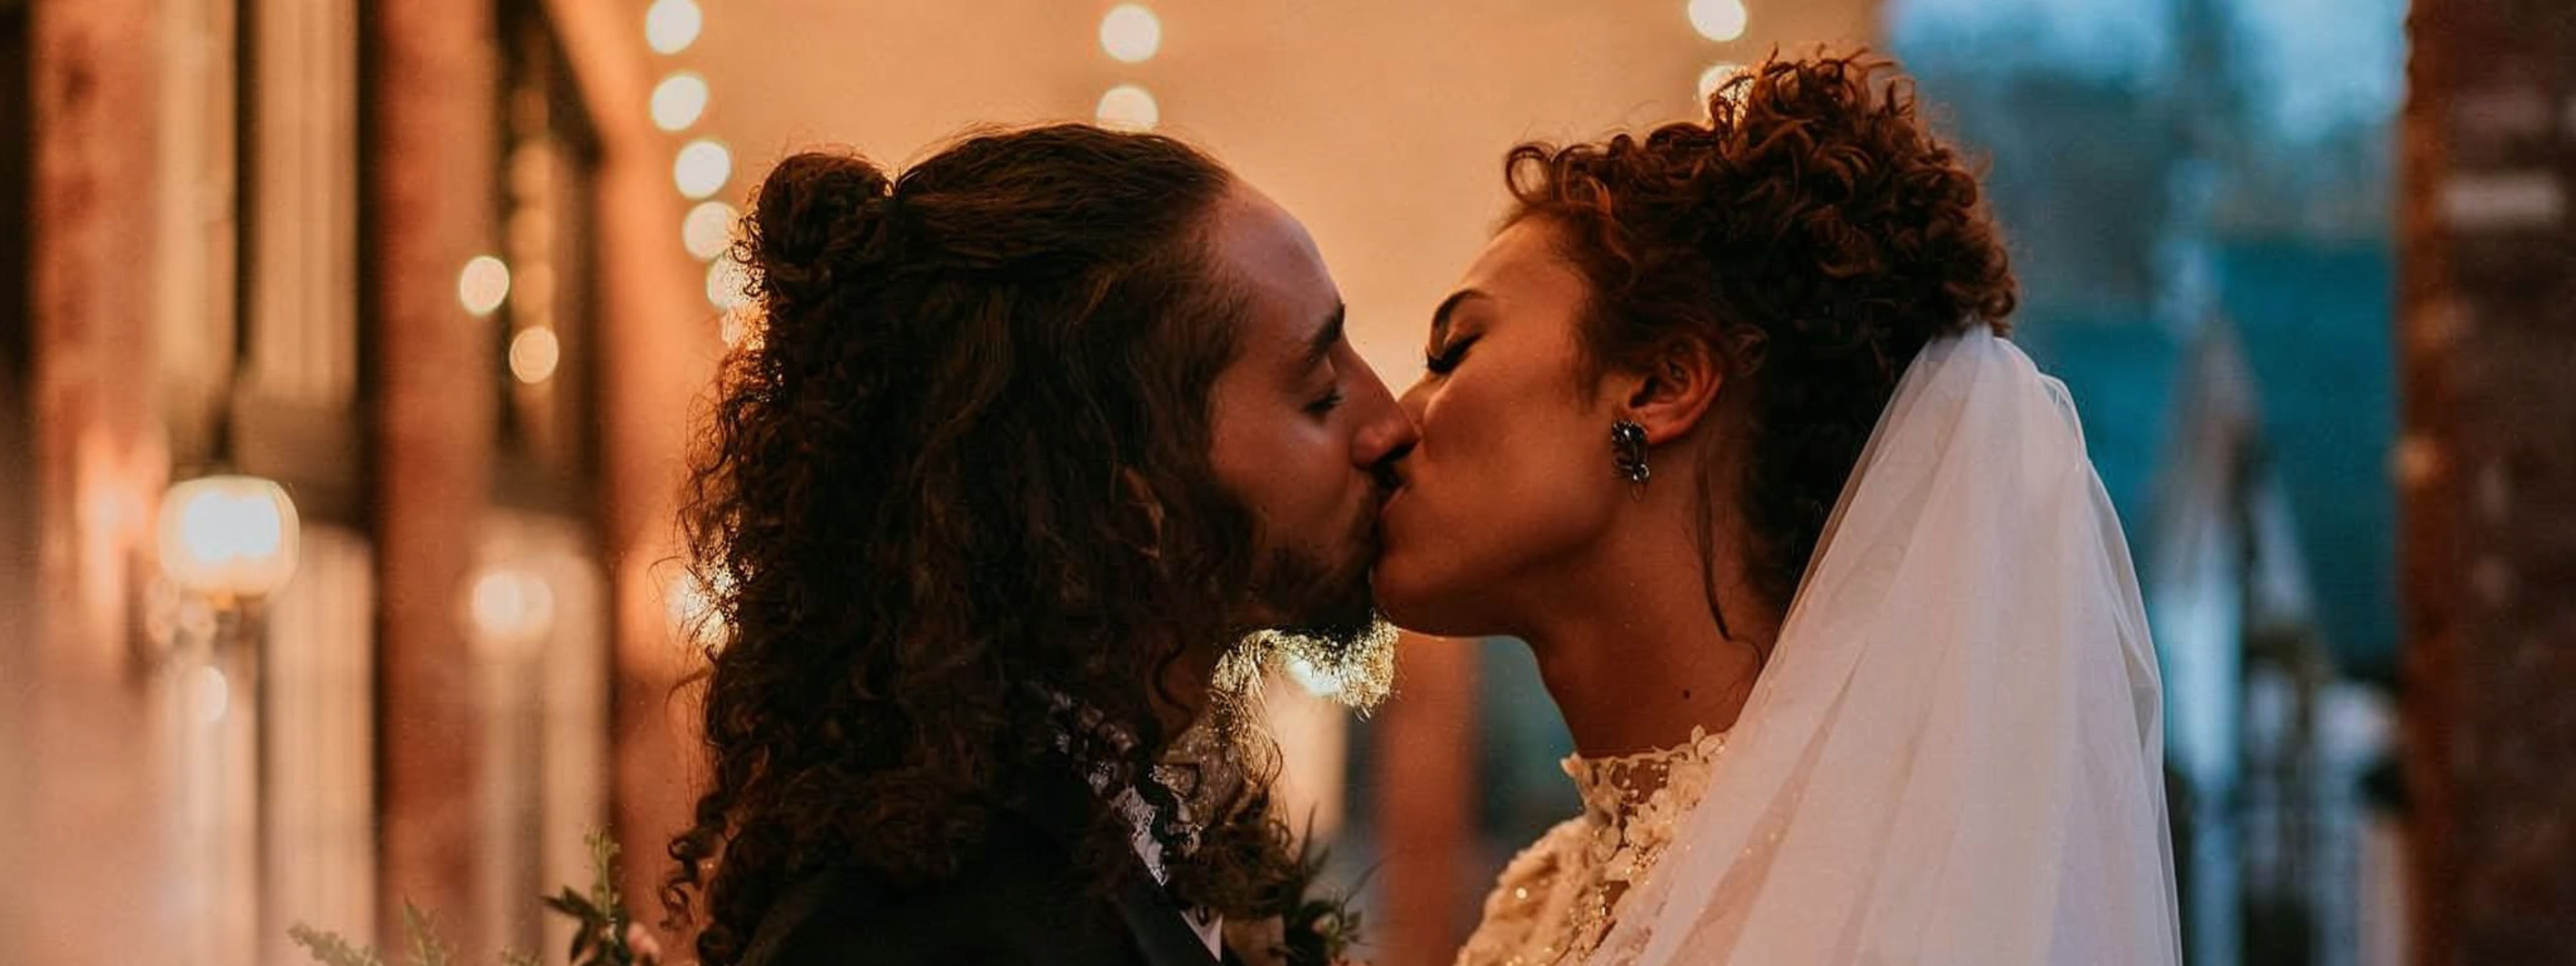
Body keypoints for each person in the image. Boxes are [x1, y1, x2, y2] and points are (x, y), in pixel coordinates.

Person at [1371, 54, 2181, 965]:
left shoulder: (1870, 901)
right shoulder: (1542, 894)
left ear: (1661, 383)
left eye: (1453, 350)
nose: (1388, 424)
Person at [664, 124, 1414, 966]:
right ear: (1123, 502)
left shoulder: (1134, 823)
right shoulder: (932, 936)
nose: (1390, 421)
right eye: (1319, 392)